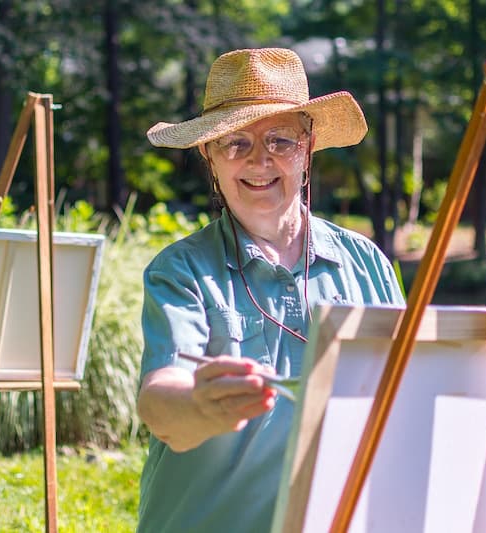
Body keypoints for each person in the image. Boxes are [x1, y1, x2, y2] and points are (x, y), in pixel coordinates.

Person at [136, 48, 405, 532]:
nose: (260, 160)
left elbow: (402, 397)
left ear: (308, 147)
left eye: (281, 140)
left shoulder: (367, 265)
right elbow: (161, 400)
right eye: (235, 142)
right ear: (209, 155)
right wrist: (198, 404)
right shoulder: (181, 271)